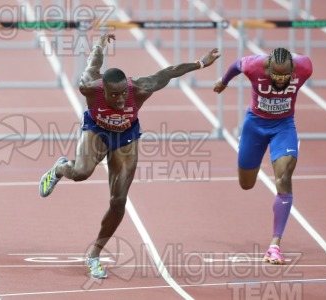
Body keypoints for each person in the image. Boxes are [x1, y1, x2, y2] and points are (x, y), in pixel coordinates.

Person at [39, 33, 220, 279]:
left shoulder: (141, 88)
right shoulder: (90, 86)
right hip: (97, 131)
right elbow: (94, 63)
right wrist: (99, 45)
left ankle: (94, 254)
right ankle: (61, 168)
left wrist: (199, 63)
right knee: (80, 173)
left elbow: (169, 72)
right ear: (104, 89)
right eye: (115, 95)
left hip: (125, 137)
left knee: (118, 200)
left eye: (124, 93)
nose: (122, 98)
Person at [213, 48, 312, 264]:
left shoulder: (304, 67)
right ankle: (246, 147)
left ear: (293, 69)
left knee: (284, 179)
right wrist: (223, 81)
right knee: (246, 184)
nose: (280, 80)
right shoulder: (254, 65)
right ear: (267, 68)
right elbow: (236, 64)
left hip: (284, 127)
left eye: (285, 76)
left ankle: (274, 246)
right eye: (275, 75)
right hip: (255, 126)